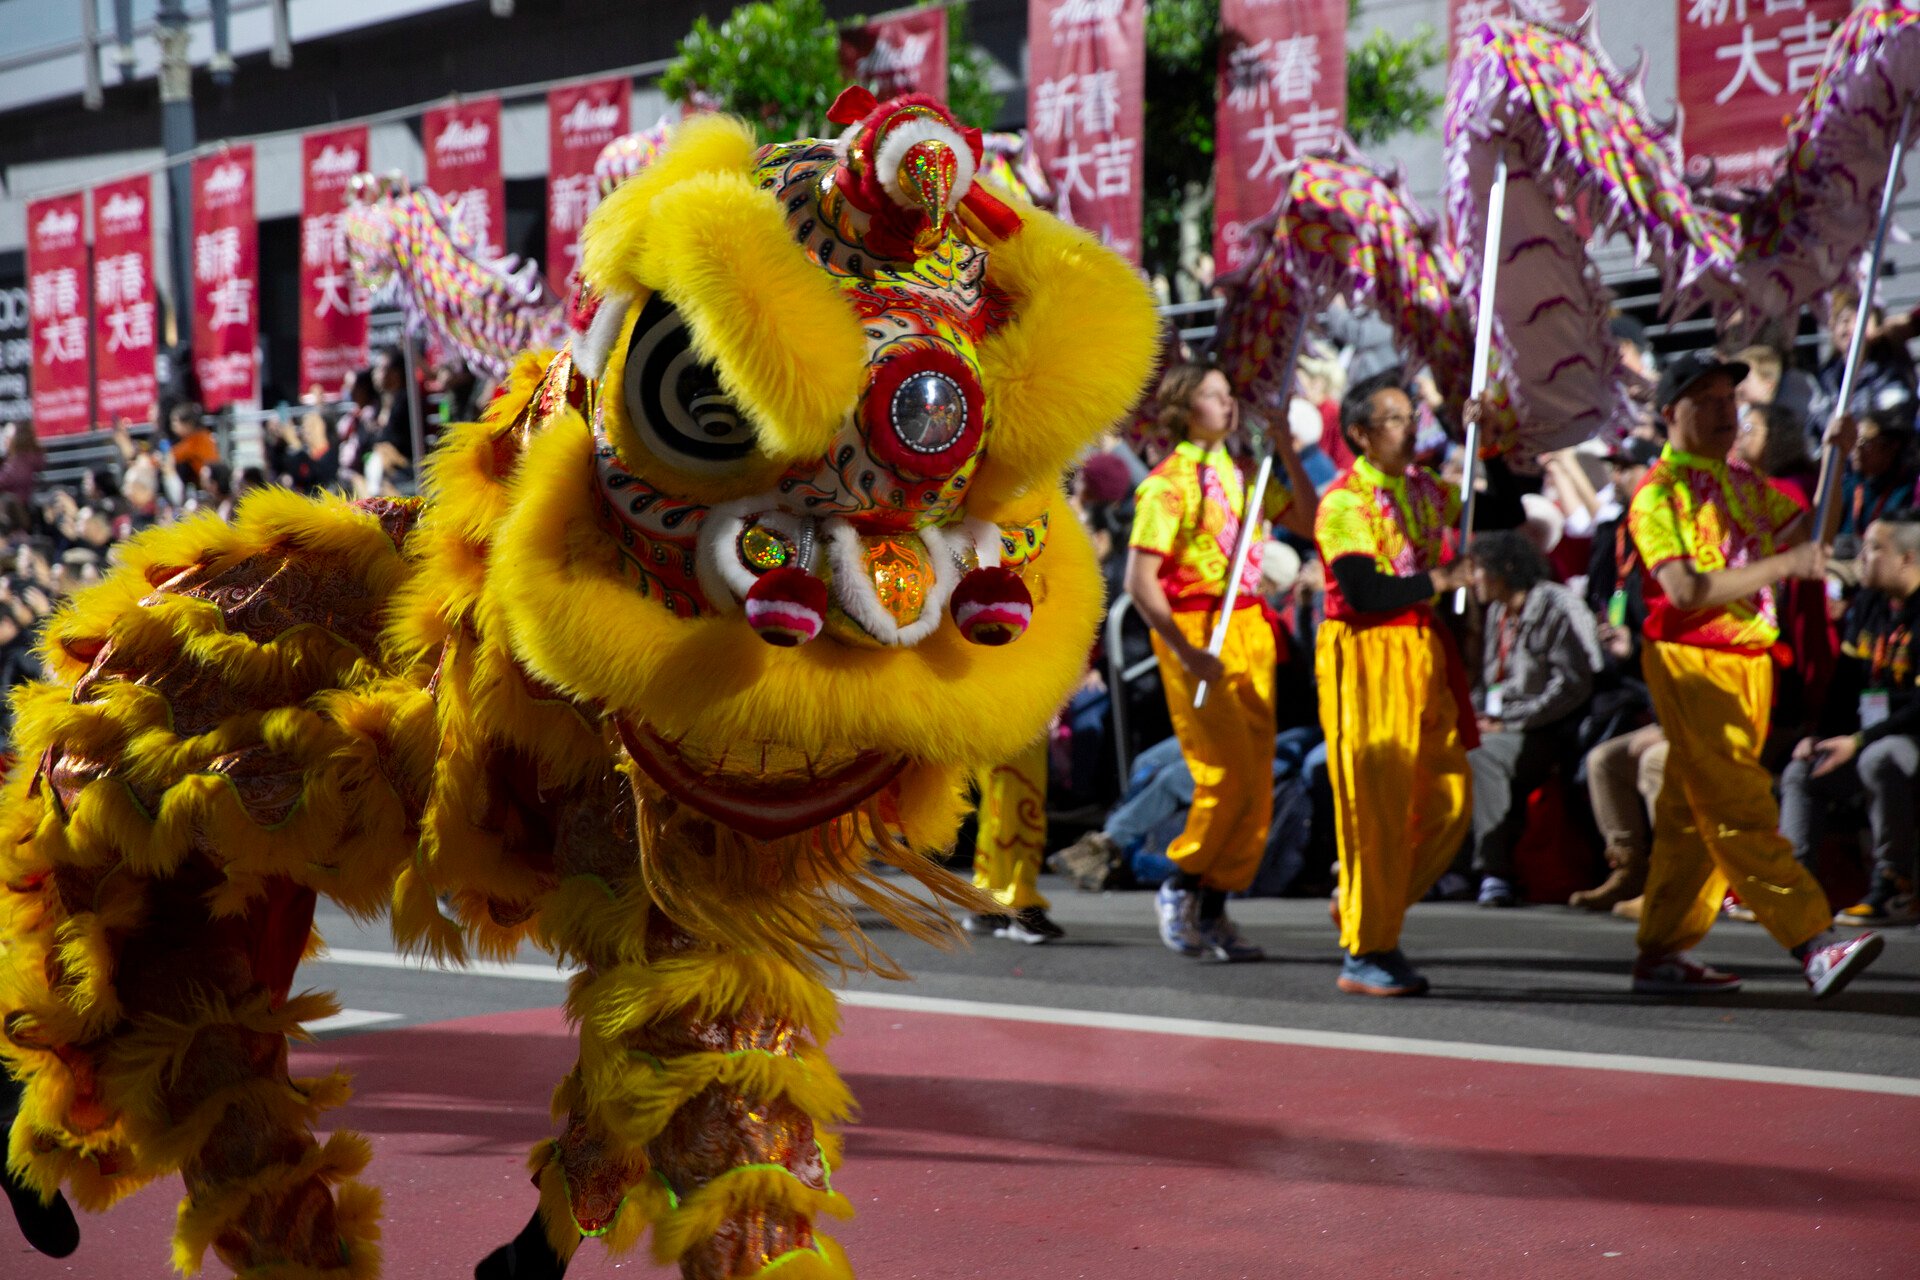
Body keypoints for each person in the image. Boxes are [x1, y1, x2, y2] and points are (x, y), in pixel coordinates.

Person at [1625, 351, 1882, 998]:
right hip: (1694, 665)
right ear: (1668, 415)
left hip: (1748, 665)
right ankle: (1814, 939)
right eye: (1704, 399)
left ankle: (1661, 950)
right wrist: (1783, 565)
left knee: (1690, 810)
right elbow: (1684, 590)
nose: (1723, 410)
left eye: (1727, 398)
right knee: (1740, 802)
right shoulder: (1659, 494)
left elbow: (1811, 535)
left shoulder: (1739, 481)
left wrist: (1837, 460)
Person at [1126, 362, 1317, 963]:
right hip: (1196, 630)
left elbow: (1310, 521)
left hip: (1251, 629)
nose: (1228, 403)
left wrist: (1284, 444)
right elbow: (1140, 581)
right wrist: (1185, 651)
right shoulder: (1168, 484)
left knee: (1257, 779)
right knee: (1223, 771)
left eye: (1230, 393)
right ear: (1185, 408)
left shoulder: (1245, 475)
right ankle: (1179, 881)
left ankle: (1213, 902)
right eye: (1214, 394)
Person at [1313, 370, 1476, 996]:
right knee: (1374, 813)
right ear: (1360, 434)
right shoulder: (1344, 501)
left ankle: (1363, 904)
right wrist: (1439, 580)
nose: (1412, 431)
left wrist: (1478, 435)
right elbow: (1362, 591)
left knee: (1449, 802)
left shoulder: (1427, 491)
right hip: (1367, 656)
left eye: (1413, 418)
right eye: (1397, 420)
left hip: (1422, 654)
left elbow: (1505, 506)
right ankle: (1367, 947)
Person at [1778, 513, 1920, 927]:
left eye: (1875, 548)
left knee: (1881, 756)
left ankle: (1895, 887)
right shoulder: (1870, 604)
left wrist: (1857, 742)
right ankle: (1794, 888)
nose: (1862, 557)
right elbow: (1843, 684)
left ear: (1907, 559)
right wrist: (1821, 735)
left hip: (1906, 739)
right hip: (1864, 736)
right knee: (1802, 771)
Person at [1466, 530, 1604, 907]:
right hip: (1508, 720)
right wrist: (1475, 715)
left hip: (1553, 727)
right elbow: (1493, 679)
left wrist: (1510, 722)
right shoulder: (1498, 611)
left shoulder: (1557, 606)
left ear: (1506, 568)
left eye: (1479, 569)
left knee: (1483, 755)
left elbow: (1574, 684)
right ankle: (1438, 866)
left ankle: (1494, 872)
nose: (1472, 578)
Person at [1837, 410, 1919, 539]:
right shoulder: (1848, 487)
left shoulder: (1908, 491)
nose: (1857, 449)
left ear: (1892, 447)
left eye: (1865, 442)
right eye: (1854, 441)